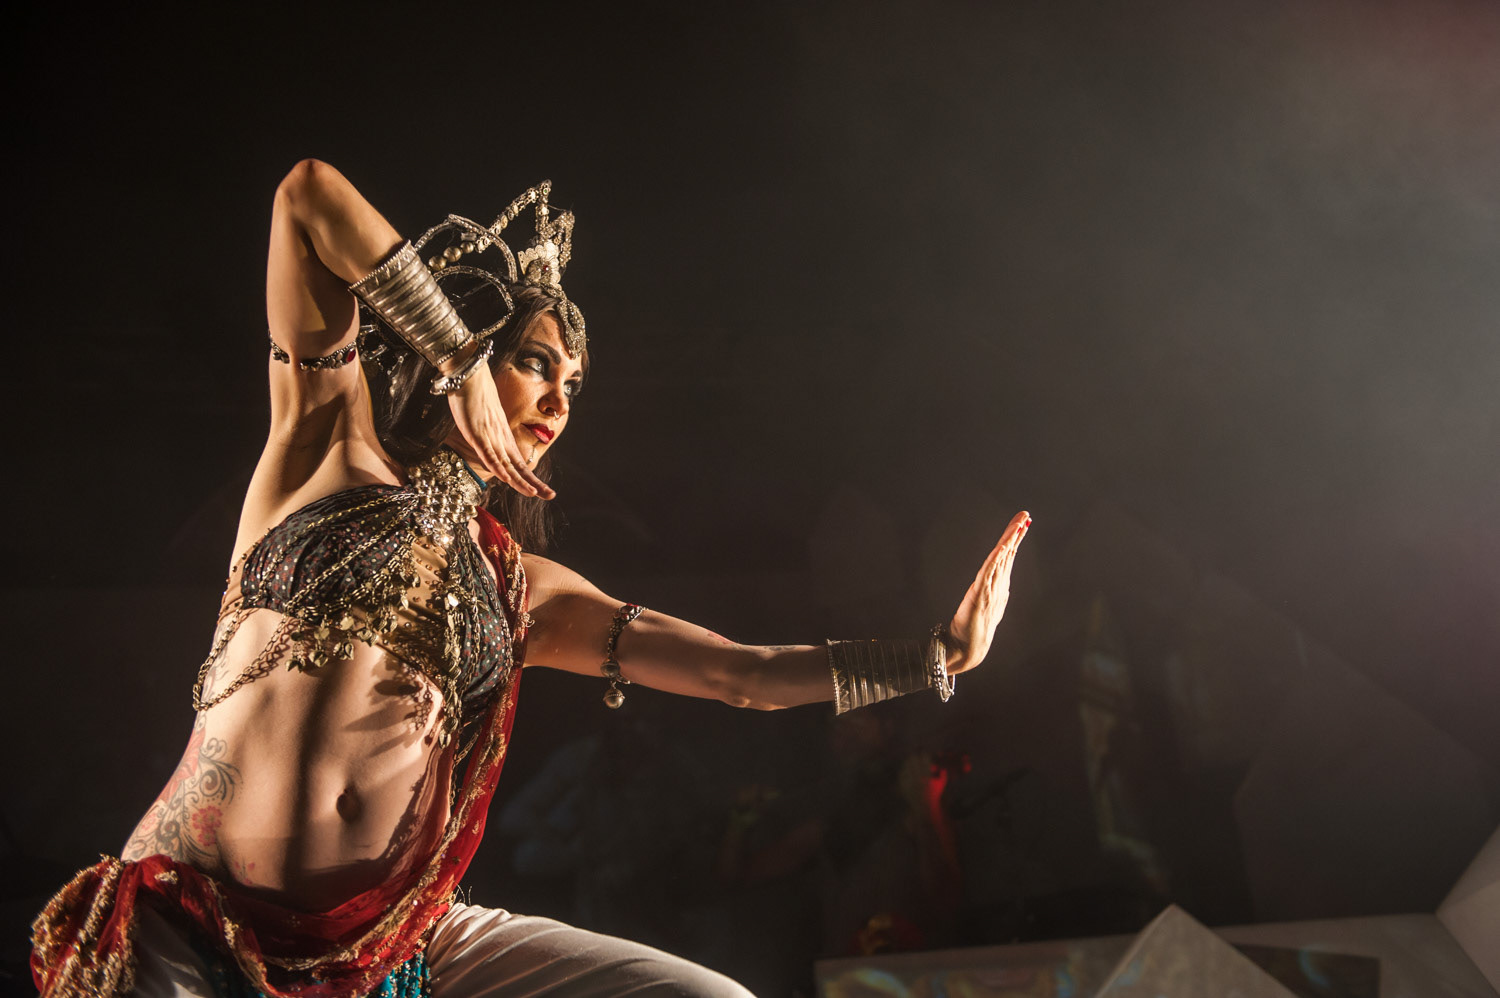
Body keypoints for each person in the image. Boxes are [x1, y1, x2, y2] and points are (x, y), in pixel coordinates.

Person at [30, 160, 1030, 998]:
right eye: (537, 363)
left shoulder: (524, 590)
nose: (560, 397)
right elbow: (307, 199)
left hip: (391, 948)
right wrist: (457, 353)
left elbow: (744, 675)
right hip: (194, 926)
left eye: (574, 383)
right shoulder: (325, 452)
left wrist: (933, 657)